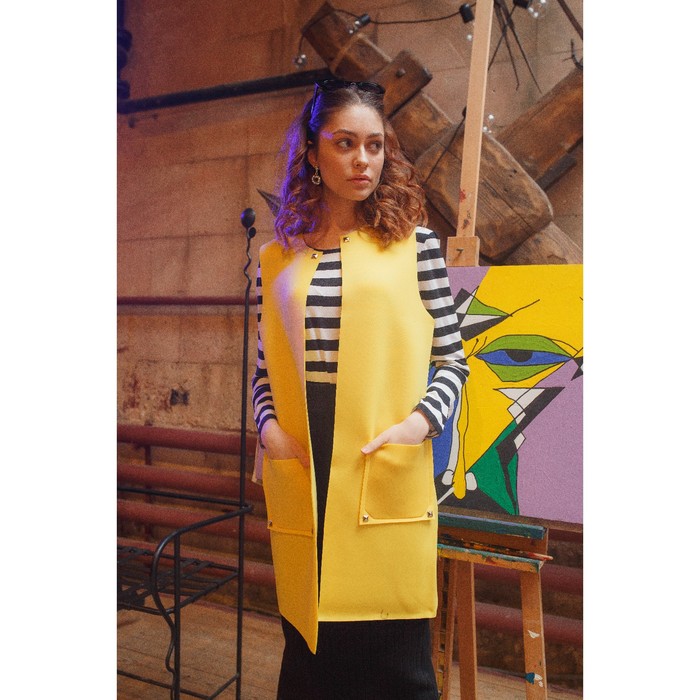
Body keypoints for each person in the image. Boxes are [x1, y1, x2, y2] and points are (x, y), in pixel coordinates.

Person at [251, 78, 469, 699]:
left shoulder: (415, 247)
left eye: (374, 145)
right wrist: (269, 432)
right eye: (344, 143)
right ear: (312, 153)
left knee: (397, 666)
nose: (362, 160)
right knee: (311, 662)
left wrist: (417, 426)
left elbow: (453, 361)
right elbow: (265, 372)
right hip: (305, 464)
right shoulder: (277, 259)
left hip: (381, 458)